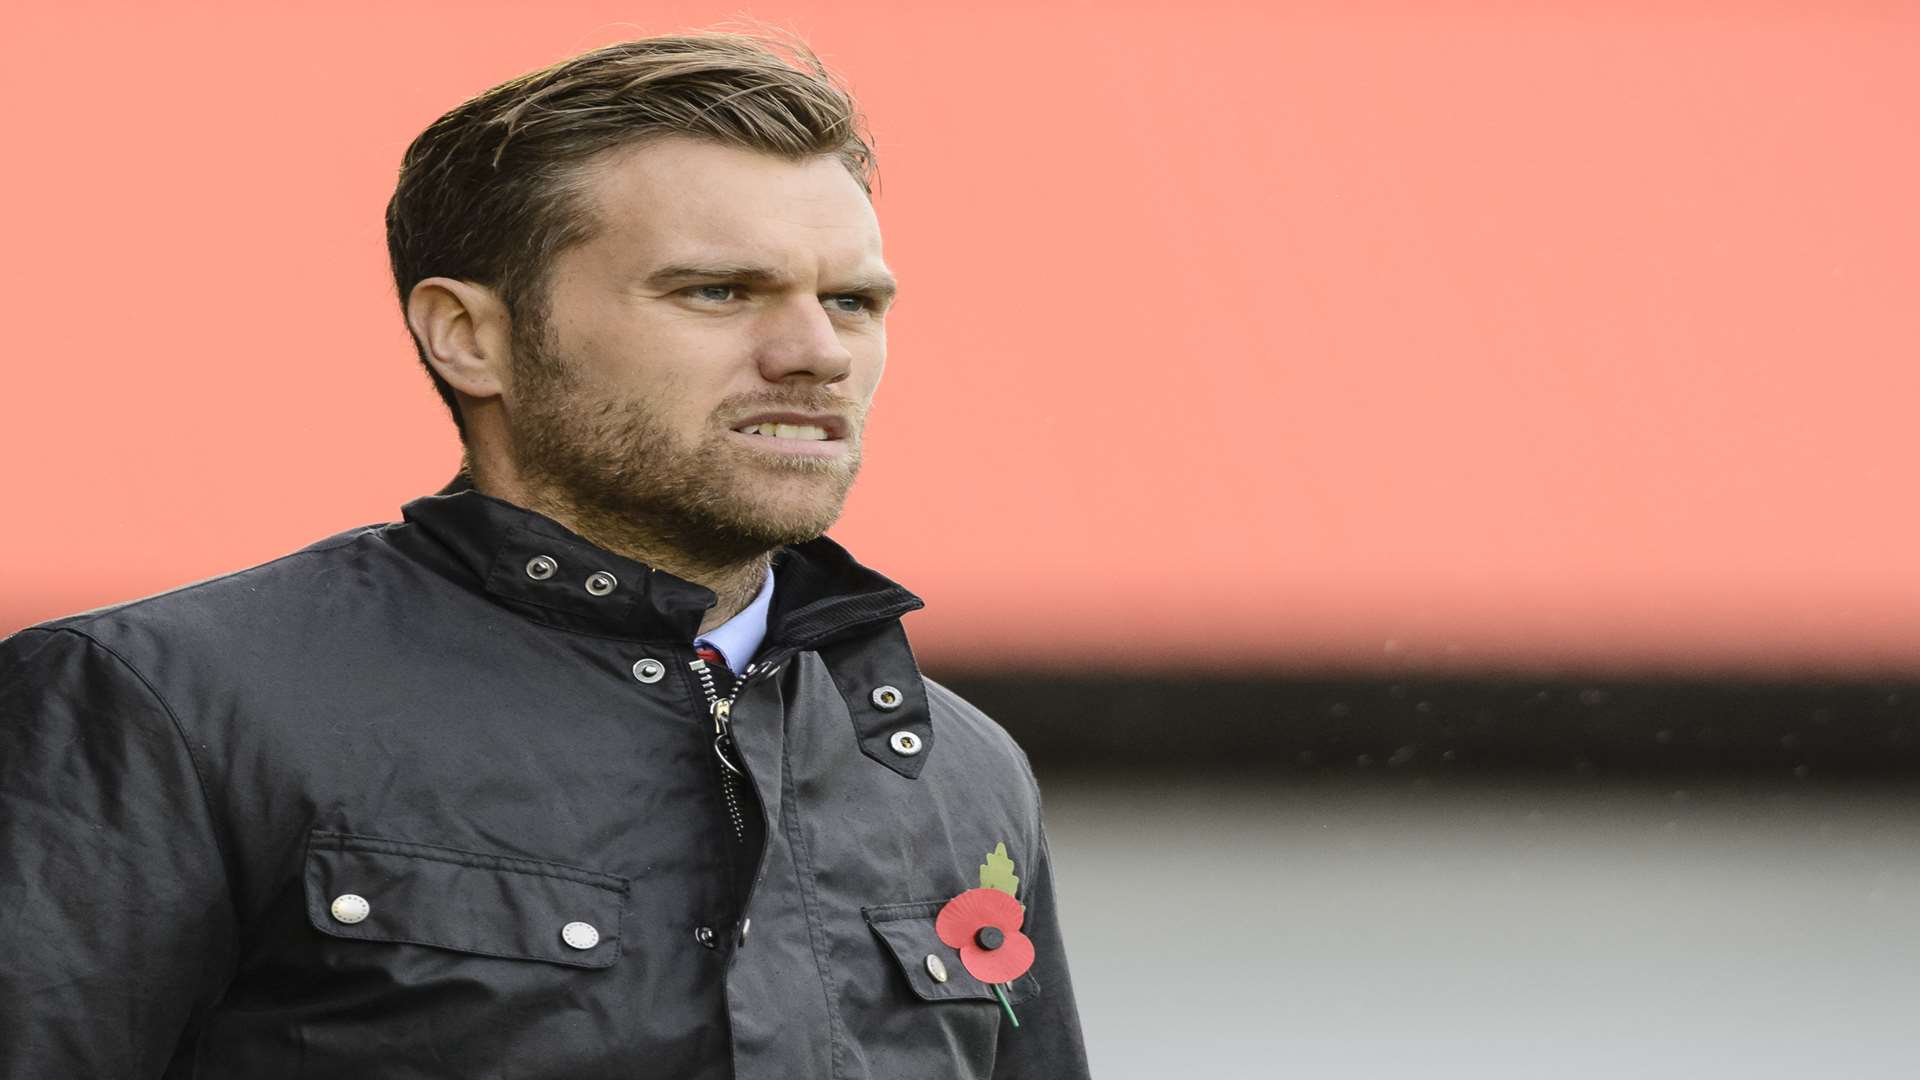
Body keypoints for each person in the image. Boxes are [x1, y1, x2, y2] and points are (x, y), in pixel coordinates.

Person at [0, 29, 1090, 1079]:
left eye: (851, 301)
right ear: (469, 336)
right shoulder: (167, 707)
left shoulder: (958, 772)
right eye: (716, 290)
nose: (814, 353)